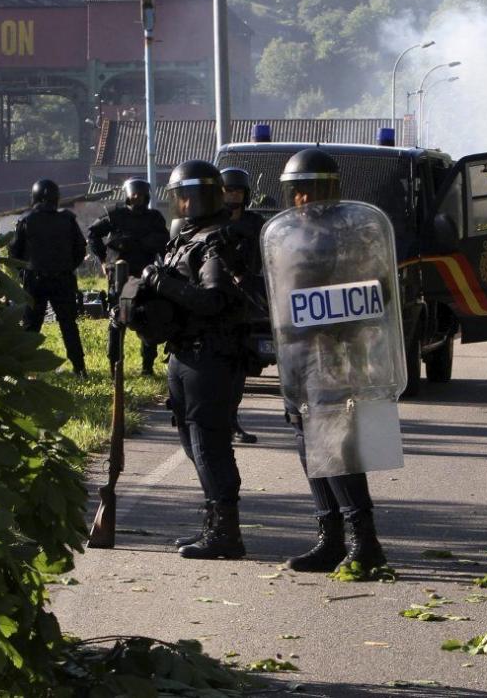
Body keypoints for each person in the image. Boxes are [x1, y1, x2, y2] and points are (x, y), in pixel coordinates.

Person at [264, 148, 388, 573]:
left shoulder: (354, 234)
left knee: (336, 447)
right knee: (306, 444)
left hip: (334, 355)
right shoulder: (283, 236)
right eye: (296, 192)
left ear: (329, 190)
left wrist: (339, 316)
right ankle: (330, 538)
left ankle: (365, 542)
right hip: (294, 354)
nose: (302, 200)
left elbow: (379, 291)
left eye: (309, 191)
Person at [140, 160, 246, 560]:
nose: (183, 202)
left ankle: (227, 533)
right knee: (193, 443)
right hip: (183, 352)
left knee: (209, 444)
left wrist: (159, 281)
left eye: (189, 195)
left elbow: (214, 301)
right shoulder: (185, 237)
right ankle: (213, 523)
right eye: (178, 196)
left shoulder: (218, 241)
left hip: (211, 356)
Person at [88, 178, 169, 377]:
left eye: (141, 195)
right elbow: (93, 234)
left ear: (147, 196)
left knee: (149, 317)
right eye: (134, 195)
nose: (137, 198)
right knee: (118, 317)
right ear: (128, 195)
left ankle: (147, 367)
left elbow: (165, 242)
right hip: (120, 275)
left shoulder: (154, 218)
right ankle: (115, 366)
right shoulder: (116, 215)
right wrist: (103, 261)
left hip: (146, 274)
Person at [10, 178, 88, 378]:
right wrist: (68, 267)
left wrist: (23, 274)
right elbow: (80, 248)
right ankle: (80, 369)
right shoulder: (68, 220)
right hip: (63, 279)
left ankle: (22, 370)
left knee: (30, 328)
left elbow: (14, 253)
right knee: (68, 325)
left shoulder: (26, 221)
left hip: (34, 280)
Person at [220, 167, 264, 444]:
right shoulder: (211, 223)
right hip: (214, 302)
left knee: (238, 369)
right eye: (227, 190)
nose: (232, 196)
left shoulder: (255, 224)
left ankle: (232, 422)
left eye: (237, 191)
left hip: (244, 305)